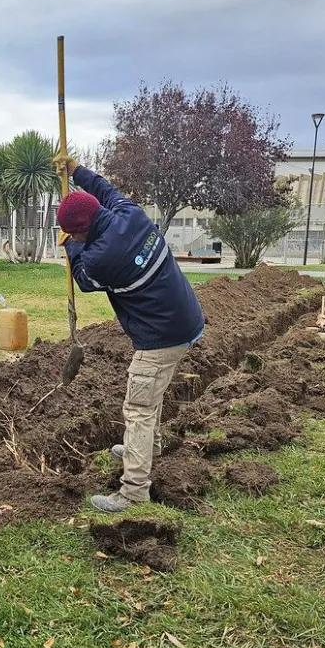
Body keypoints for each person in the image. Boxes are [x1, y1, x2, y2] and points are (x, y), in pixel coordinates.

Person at [54, 156, 205, 513]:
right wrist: (77, 172)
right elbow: (104, 190)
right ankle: (147, 448)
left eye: (75, 233)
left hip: (161, 336)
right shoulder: (129, 213)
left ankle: (134, 490)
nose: (73, 239)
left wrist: (71, 246)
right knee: (151, 396)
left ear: (83, 230)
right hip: (185, 320)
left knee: (137, 407)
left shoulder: (102, 256)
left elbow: (84, 279)